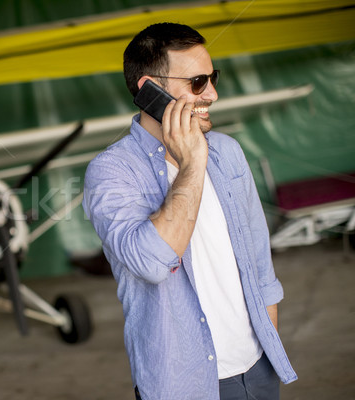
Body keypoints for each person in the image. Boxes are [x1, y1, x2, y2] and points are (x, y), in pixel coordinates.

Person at [82, 23, 297, 400]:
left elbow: (259, 262)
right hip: (182, 384)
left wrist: (266, 345)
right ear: (151, 88)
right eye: (198, 82)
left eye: (213, 78)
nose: (212, 93)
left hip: (258, 368)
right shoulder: (111, 171)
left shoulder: (227, 151)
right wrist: (193, 160)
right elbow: (151, 263)